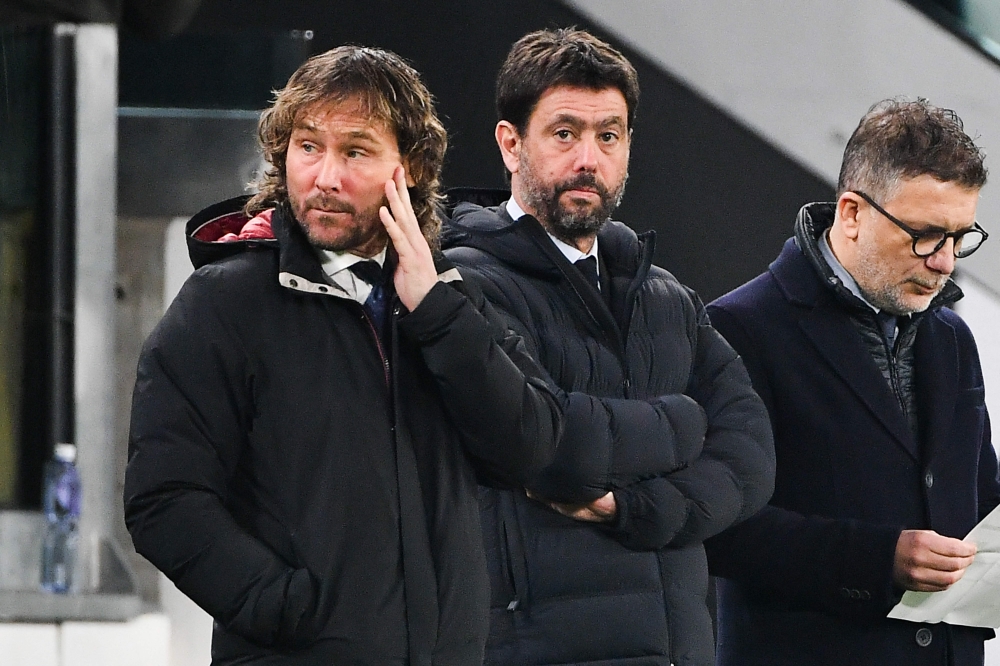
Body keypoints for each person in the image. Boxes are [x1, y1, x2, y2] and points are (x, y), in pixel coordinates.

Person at [123, 46, 563, 666]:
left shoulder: (449, 300)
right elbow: (162, 500)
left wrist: (434, 314)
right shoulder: (223, 304)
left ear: (407, 167)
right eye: (308, 147)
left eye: (354, 151)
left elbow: (532, 448)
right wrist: (288, 608)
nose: (325, 177)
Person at [442, 28, 775, 666]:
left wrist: (639, 505)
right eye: (564, 133)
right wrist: (686, 421)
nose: (588, 159)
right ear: (511, 144)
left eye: (608, 135)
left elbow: (752, 456)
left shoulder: (666, 296)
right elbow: (554, 444)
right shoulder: (465, 282)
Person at [705, 98, 1000, 666]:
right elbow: (719, 528)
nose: (945, 262)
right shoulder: (739, 327)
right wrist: (880, 559)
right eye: (926, 235)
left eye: (961, 236)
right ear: (851, 213)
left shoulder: (951, 340)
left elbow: (975, 500)